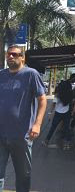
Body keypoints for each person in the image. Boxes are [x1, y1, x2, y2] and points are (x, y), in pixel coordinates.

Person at [0, 45, 47, 192]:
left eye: (14, 54)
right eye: (8, 54)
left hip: (21, 135)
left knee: (23, 176)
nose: (10, 57)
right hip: (1, 135)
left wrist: (37, 124)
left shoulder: (31, 74)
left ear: (22, 57)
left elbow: (42, 100)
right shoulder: (1, 75)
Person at [42, 74, 75, 150]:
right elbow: (73, 101)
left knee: (53, 127)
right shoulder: (70, 94)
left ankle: (46, 141)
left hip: (58, 112)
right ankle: (66, 145)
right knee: (66, 128)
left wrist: (51, 113)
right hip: (67, 112)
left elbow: (53, 104)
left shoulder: (58, 95)